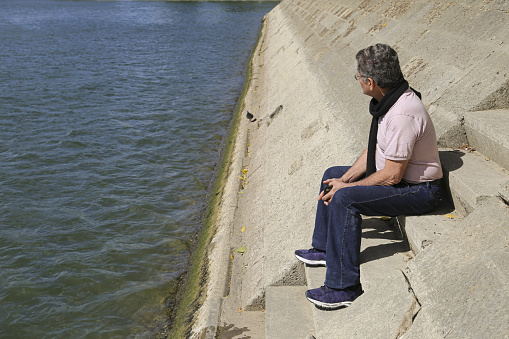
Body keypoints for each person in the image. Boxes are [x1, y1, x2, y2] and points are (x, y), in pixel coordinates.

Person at [295, 43, 443, 309]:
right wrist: (345, 179)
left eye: (358, 78)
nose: (358, 81)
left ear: (371, 82)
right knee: (333, 176)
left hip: (420, 191)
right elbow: (375, 149)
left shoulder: (402, 113)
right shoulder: (388, 100)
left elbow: (392, 175)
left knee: (345, 199)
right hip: (401, 177)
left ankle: (343, 287)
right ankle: (324, 249)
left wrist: (346, 189)